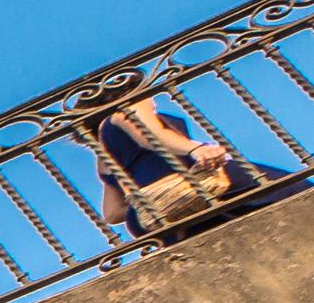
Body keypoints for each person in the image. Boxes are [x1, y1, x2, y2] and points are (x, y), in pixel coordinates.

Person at [85, 87, 293, 241]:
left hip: (160, 217)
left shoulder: (103, 151)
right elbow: (150, 136)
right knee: (287, 187)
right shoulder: (125, 109)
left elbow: (112, 213)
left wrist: (156, 198)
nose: (152, 101)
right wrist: (196, 149)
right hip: (196, 186)